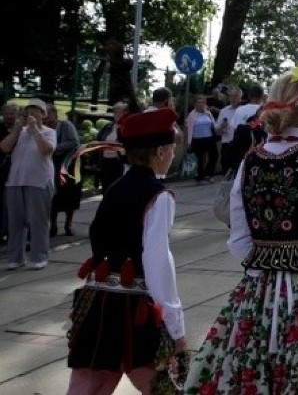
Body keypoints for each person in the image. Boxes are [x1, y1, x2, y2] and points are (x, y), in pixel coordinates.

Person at [184, 74, 298, 394]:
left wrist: (269, 258)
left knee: (255, 367)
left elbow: (239, 243)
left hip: (258, 292)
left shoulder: (251, 159)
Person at [66, 108, 186, 394]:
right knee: (161, 386)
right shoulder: (158, 195)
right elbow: (158, 261)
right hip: (132, 309)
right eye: (171, 149)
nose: (172, 155)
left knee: (88, 384)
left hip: (97, 300)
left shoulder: (115, 188)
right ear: (159, 151)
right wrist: (175, 324)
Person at [1, 99, 56, 270]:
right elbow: (4, 147)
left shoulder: (48, 132)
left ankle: (39, 256)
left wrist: (35, 131)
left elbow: (46, 150)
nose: (31, 113)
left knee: (38, 220)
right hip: (16, 181)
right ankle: (16, 257)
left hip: (39, 181)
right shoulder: (20, 132)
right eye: (29, 110)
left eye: (36, 110)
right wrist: (17, 129)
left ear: (43, 114)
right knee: (15, 221)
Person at [44, 104, 81, 237]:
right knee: (54, 195)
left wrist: (54, 148)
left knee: (69, 194)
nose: (46, 117)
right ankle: (53, 225)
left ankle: (68, 224)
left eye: (47, 114)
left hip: (67, 165)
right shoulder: (43, 128)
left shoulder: (65, 125)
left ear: (54, 114)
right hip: (51, 165)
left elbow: (73, 142)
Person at [95, 102, 129, 194]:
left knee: (116, 190)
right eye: (115, 112)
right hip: (106, 162)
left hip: (119, 163)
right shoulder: (107, 126)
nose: (117, 114)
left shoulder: (127, 127)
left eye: (120, 112)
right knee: (106, 189)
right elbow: (98, 142)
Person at [185, 95, 218, 183]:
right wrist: (188, 142)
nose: (201, 104)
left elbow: (213, 125)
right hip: (197, 139)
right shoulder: (191, 115)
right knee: (200, 159)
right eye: (198, 102)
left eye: (202, 102)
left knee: (214, 156)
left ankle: (209, 174)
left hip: (209, 138)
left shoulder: (208, 113)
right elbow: (188, 129)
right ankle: (200, 177)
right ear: (195, 104)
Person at [0, 102, 20, 243]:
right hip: (2, 168)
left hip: (17, 167)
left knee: (11, 201)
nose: (8, 116)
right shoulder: (0, 129)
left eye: (12, 113)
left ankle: (10, 230)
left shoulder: (22, 130)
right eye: (6, 114)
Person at [214, 87, 243, 176]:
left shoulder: (244, 110)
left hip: (240, 145)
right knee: (226, 169)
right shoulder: (224, 111)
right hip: (227, 143)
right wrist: (221, 127)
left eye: (236, 96)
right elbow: (217, 131)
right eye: (231, 96)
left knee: (239, 171)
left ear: (240, 98)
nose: (233, 98)